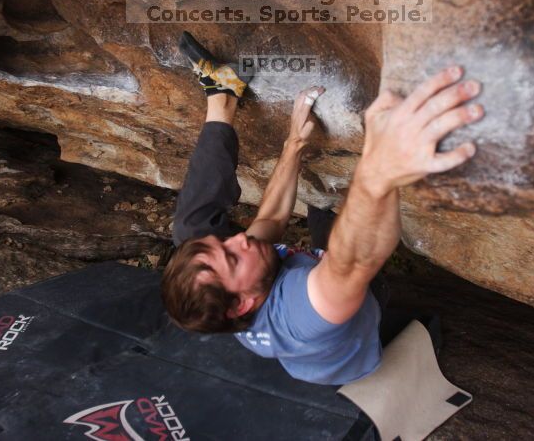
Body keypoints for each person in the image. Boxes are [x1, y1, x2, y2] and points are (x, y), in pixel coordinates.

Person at [162, 32, 484, 385]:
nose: (237, 240)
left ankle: (221, 96)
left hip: (313, 303)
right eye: (232, 258)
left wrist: (294, 143)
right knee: (347, 234)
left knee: (313, 210)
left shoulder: (244, 281)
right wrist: (380, 165)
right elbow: (354, 262)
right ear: (241, 305)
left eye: (222, 242)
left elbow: (269, 220)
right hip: (352, 345)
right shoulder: (301, 315)